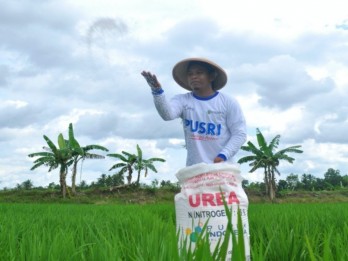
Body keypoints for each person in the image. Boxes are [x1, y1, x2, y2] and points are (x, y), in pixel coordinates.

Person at [141, 57, 246, 166]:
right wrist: (157, 91)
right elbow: (168, 115)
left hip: (223, 169)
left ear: (212, 76)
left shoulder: (228, 102)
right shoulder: (182, 100)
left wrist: (223, 155)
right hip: (194, 170)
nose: (193, 77)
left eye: (199, 73)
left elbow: (239, 134)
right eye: (190, 74)